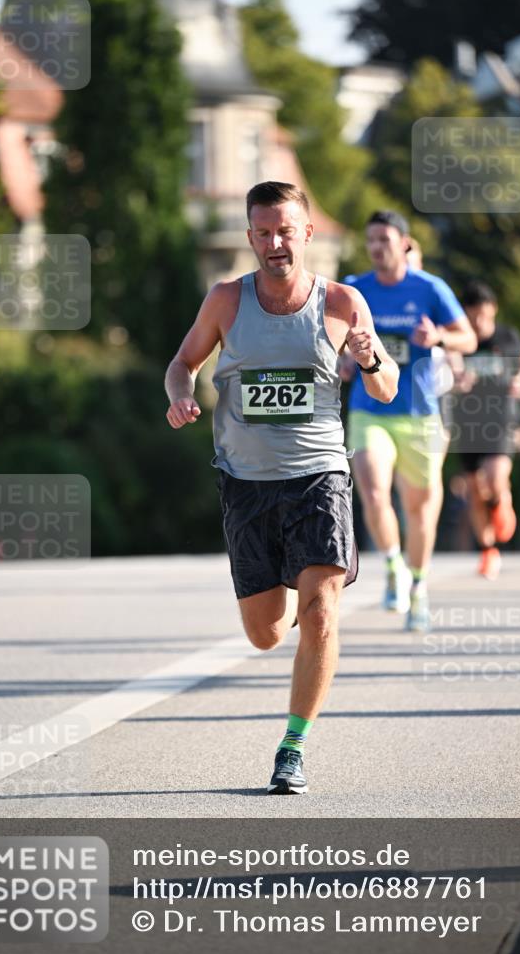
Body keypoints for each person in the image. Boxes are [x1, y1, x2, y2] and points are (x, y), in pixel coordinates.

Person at [165, 181, 398, 794]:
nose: (275, 244)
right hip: (246, 484)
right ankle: (295, 591)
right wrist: (181, 395)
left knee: (321, 614)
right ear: (250, 237)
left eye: (286, 231)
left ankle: (292, 747)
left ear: (307, 234)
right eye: (264, 233)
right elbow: (183, 363)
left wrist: (371, 359)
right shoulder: (226, 300)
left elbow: (386, 389)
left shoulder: (342, 302)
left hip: (320, 476)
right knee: (266, 633)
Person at [344, 211, 476, 631]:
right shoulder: (355, 290)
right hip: (370, 409)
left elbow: (469, 337)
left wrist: (439, 337)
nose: (376, 247)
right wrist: (343, 359)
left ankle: (418, 586)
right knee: (373, 490)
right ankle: (393, 565)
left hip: (419, 413)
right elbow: (332, 340)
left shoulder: (429, 289)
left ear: (404, 243)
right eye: (371, 240)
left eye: (384, 239)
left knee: (420, 511)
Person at [453, 281, 520, 579]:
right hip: (467, 422)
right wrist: (457, 377)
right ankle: (488, 551)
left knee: (495, 477)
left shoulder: (507, 336)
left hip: (500, 419)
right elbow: (449, 363)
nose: (479, 321)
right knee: (475, 491)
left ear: (493, 310)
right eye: (473, 315)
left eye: (484, 315)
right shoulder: (459, 339)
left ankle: (502, 502)